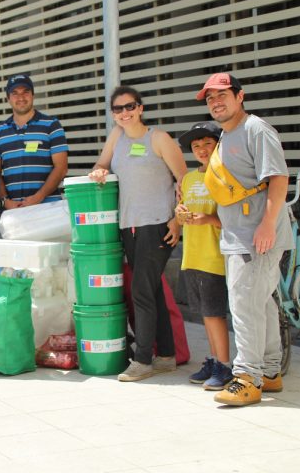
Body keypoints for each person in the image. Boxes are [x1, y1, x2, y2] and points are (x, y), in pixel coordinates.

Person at [195, 73, 294, 406]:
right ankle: (268, 372)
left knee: (244, 305)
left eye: (222, 95)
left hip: (257, 237)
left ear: (240, 96)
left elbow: (278, 178)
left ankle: (247, 378)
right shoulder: (227, 134)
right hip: (239, 234)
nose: (216, 103)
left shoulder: (256, 129)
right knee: (259, 303)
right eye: (210, 99)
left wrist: (267, 224)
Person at [88, 86, 186, 382]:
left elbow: (185, 180)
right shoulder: (116, 137)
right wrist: (99, 171)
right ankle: (166, 356)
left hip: (157, 224)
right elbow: (101, 163)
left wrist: (177, 222)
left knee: (141, 291)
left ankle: (143, 359)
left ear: (140, 108)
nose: (124, 113)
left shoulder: (158, 138)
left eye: (129, 107)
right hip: (128, 225)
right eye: (117, 109)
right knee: (152, 290)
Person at [175, 122, 233, 390]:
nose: (201, 149)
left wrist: (207, 218)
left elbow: (230, 219)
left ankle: (224, 366)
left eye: (207, 144)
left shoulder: (225, 174)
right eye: (196, 146)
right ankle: (212, 360)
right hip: (192, 255)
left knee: (215, 314)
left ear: (218, 145)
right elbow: (182, 209)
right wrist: (181, 214)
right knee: (204, 315)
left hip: (214, 256)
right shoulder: (188, 178)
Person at [0, 74, 69, 209]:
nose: (21, 97)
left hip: (48, 208)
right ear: (8, 98)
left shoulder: (52, 125)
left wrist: (39, 197)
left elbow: (61, 168)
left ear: (33, 95)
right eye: (14, 93)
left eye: (25, 92)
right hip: (14, 211)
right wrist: (5, 200)